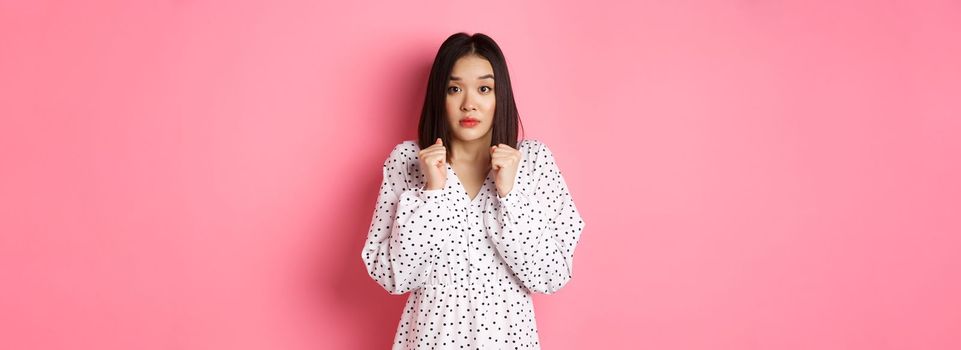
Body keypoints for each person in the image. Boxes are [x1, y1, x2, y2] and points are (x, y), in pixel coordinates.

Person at [361, 32, 586, 349]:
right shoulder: (408, 162)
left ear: (500, 96)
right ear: (439, 96)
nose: (469, 104)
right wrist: (432, 194)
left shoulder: (533, 162)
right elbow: (393, 276)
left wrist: (511, 195)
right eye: (454, 89)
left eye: (484, 88)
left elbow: (551, 275)